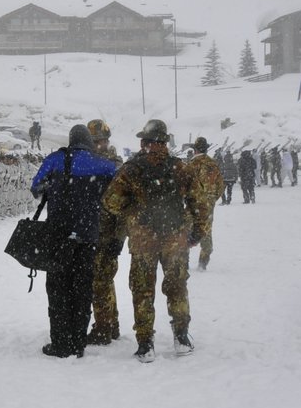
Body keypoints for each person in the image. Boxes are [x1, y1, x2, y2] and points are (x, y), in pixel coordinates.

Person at [101, 120, 209, 362]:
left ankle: (145, 343)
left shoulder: (131, 169)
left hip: (143, 241)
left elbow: (110, 202)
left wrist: (133, 214)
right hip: (175, 239)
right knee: (177, 288)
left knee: (142, 291)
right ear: (165, 142)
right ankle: (181, 337)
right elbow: (200, 203)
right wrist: (197, 233)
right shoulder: (181, 167)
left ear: (144, 142)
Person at [29, 125, 116, 358]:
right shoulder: (103, 165)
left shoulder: (55, 160)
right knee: (82, 289)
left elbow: (35, 187)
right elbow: (118, 188)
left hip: (57, 237)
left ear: (70, 140)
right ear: (88, 141)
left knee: (57, 289)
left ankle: (59, 343)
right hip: (87, 237)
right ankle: (78, 342)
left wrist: (54, 187)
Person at [85, 118, 124, 346]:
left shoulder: (112, 166)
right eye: (97, 141)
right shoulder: (104, 164)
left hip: (107, 232)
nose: (100, 145)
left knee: (99, 281)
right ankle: (112, 324)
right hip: (98, 230)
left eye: (102, 141)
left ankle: (103, 329)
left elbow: (123, 205)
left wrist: (119, 237)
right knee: (104, 281)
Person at [183, 138, 224, 271]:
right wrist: (211, 199)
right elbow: (220, 186)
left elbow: (184, 184)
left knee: (186, 231)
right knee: (206, 231)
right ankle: (203, 262)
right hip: (208, 205)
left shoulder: (191, 164)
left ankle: (184, 262)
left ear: (195, 150)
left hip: (193, 203)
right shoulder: (213, 164)